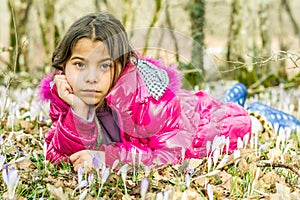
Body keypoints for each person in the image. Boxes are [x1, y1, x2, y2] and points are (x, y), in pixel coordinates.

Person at [39, 12, 299, 172]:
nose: (90, 77)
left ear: (121, 65)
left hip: (196, 130)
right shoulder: (67, 94)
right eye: (79, 64)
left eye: (104, 65)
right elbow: (59, 153)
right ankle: (231, 97)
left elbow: (171, 154)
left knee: (235, 123)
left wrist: (107, 158)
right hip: (183, 110)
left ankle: (255, 112)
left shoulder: (150, 100)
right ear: (64, 65)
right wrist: (79, 111)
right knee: (211, 105)